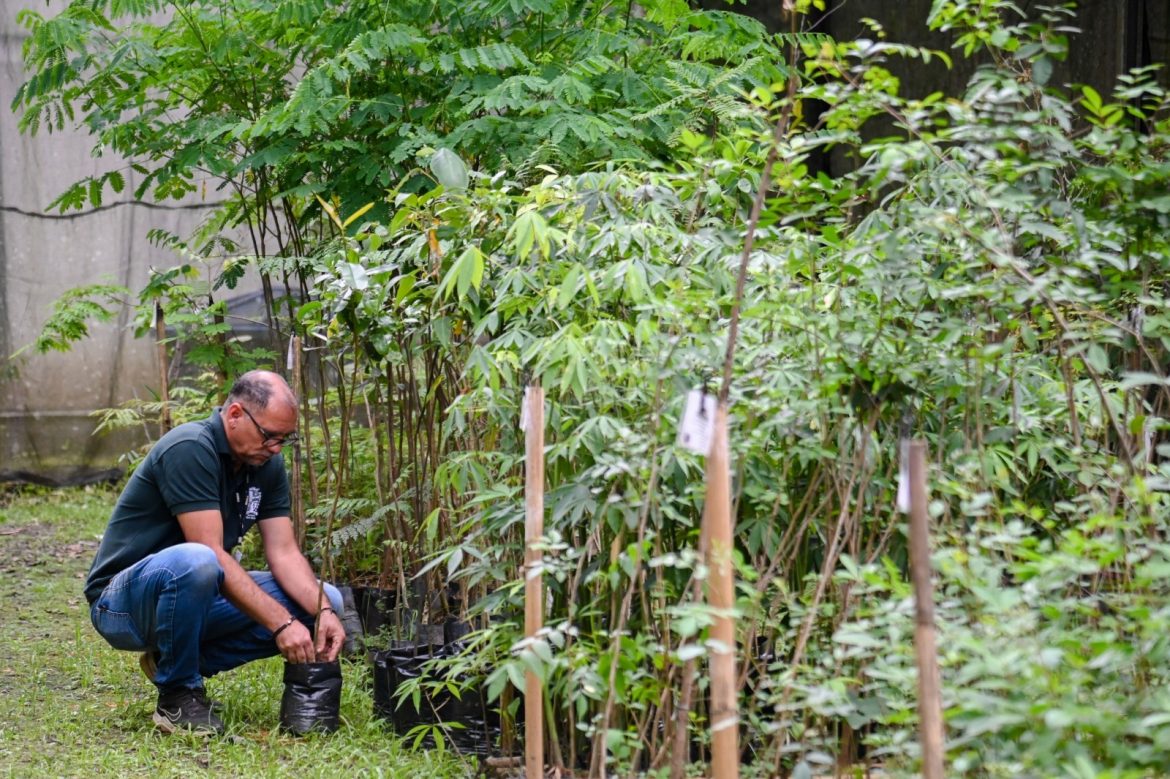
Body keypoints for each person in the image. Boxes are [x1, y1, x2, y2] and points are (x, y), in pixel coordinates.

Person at [83, 370, 345, 735]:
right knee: (199, 559)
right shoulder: (190, 447)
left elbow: (284, 553)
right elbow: (209, 551)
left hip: (192, 593)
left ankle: (175, 662)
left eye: (286, 439)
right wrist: (282, 623)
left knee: (325, 597)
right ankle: (177, 696)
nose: (276, 448)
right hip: (122, 604)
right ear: (235, 414)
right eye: (270, 436)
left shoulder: (267, 464)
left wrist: (325, 611)